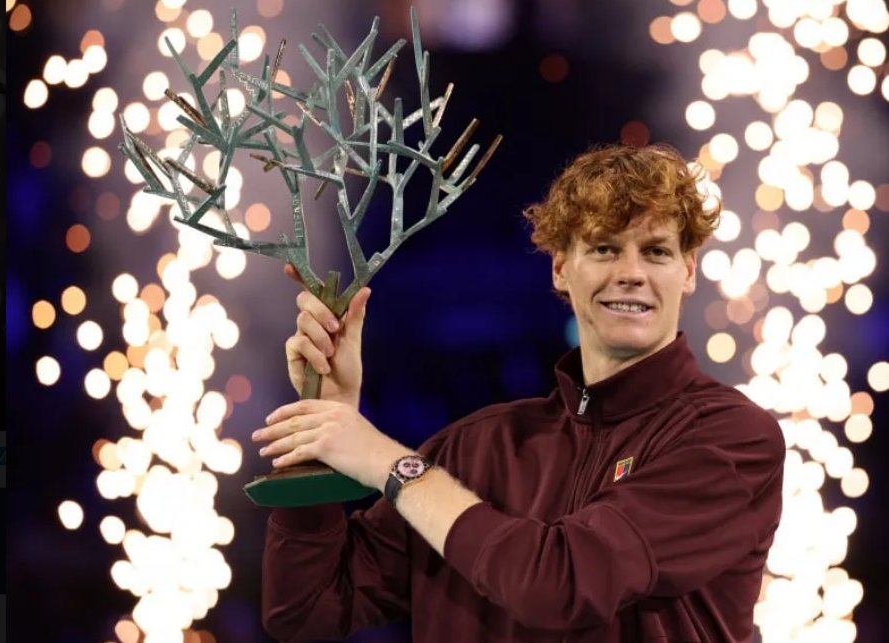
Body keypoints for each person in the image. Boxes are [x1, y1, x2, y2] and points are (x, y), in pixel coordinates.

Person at [251, 144, 785, 642]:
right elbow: (307, 611)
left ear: (687, 271)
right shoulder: (474, 447)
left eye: (656, 252)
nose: (631, 274)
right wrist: (324, 426)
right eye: (603, 248)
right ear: (560, 268)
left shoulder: (730, 439)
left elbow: (559, 585)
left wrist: (390, 463)